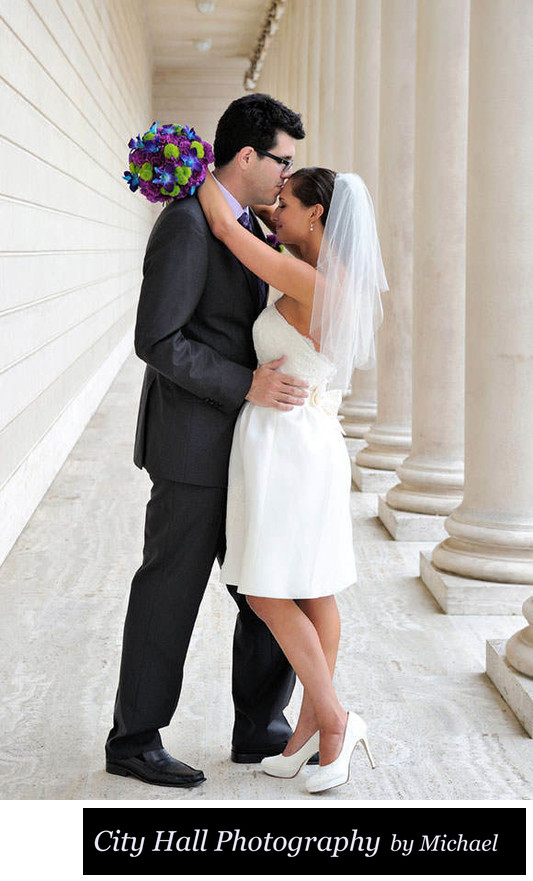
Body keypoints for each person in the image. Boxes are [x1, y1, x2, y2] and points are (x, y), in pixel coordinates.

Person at [105, 94, 308, 788]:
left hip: (250, 452)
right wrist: (245, 384)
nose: (289, 171)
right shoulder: (188, 225)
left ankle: (258, 725)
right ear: (246, 156)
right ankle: (133, 738)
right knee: (170, 591)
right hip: (192, 451)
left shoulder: (247, 224)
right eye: (282, 158)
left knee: (266, 586)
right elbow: (155, 338)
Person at [198, 165, 387, 792]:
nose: (274, 211)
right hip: (289, 438)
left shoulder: (309, 280)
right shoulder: (320, 278)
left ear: (317, 216)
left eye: (285, 202)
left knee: (266, 588)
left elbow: (226, 226)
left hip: (291, 444)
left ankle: (334, 720)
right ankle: (308, 731)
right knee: (310, 587)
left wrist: (186, 165)